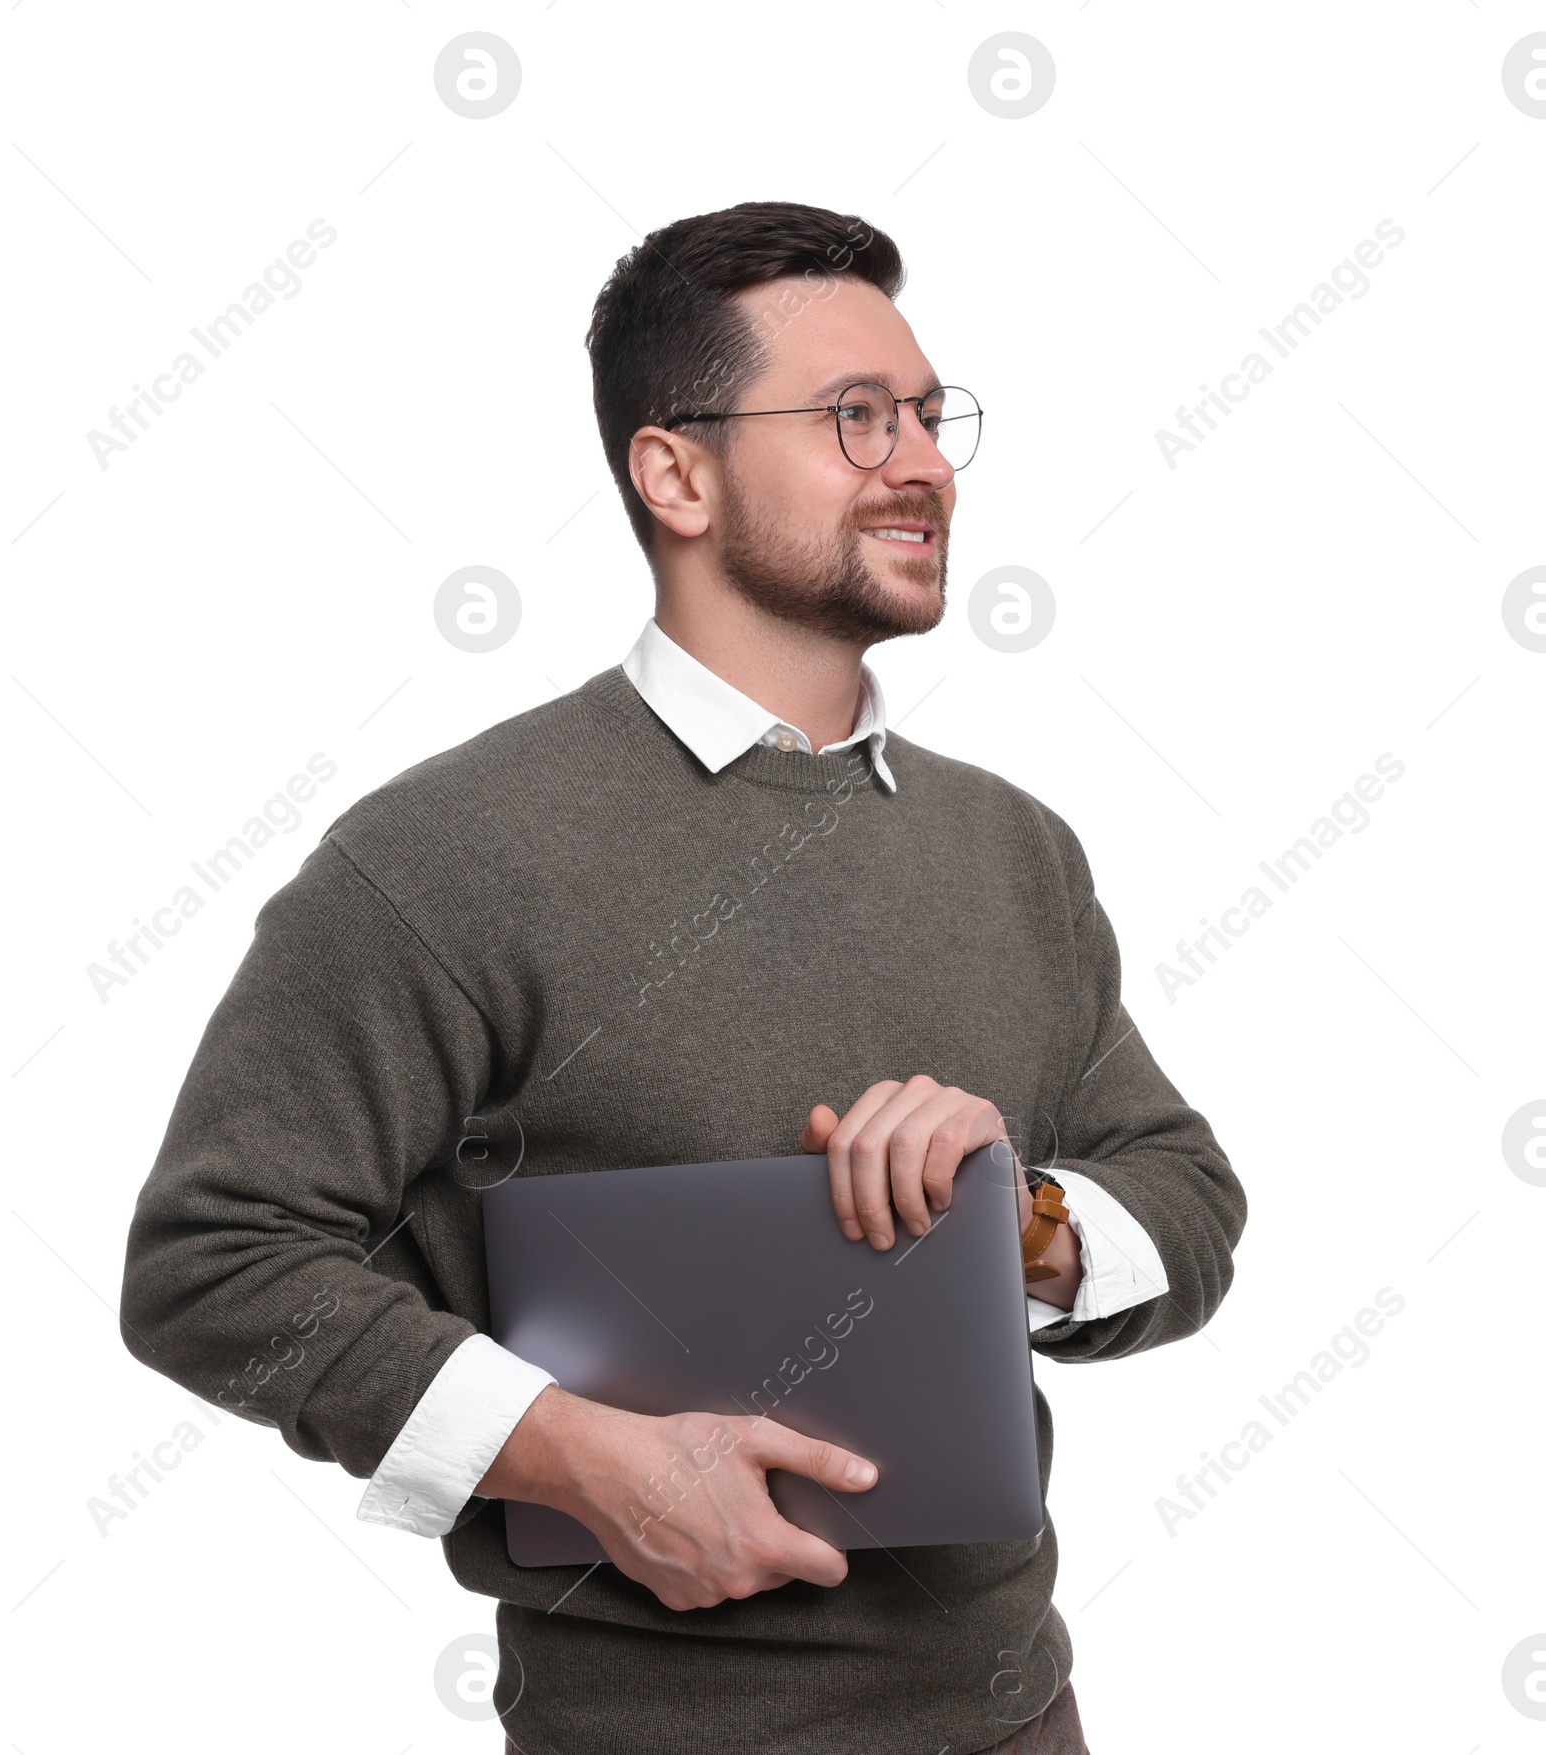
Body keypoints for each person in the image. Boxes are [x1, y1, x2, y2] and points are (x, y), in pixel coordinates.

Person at [119, 199, 1245, 1755]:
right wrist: (580, 1459)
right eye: (855, 417)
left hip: (1019, 1721)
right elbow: (214, 1261)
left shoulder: (1017, 851)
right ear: (677, 472)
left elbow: (1187, 1195)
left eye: (929, 414)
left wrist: (1024, 1215)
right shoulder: (448, 852)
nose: (923, 461)